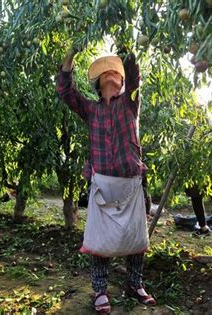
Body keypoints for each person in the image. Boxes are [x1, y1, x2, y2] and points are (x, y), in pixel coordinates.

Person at [57, 49, 155, 314]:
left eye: (116, 71)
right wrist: (69, 58)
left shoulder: (131, 103)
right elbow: (66, 93)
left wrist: (125, 46)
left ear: (123, 83)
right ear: (98, 85)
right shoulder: (91, 110)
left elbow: (134, 74)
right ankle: (100, 290)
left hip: (131, 184)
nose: (112, 73)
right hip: (103, 184)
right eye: (106, 72)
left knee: (135, 238)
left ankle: (135, 284)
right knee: (100, 242)